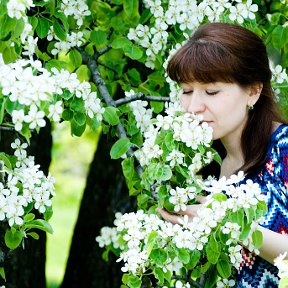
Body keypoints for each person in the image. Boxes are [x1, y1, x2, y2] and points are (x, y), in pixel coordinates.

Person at [157, 22, 288, 287]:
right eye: (186, 90)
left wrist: (223, 221)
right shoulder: (202, 165)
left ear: (253, 90)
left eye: (211, 91)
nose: (193, 106)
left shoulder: (283, 149)